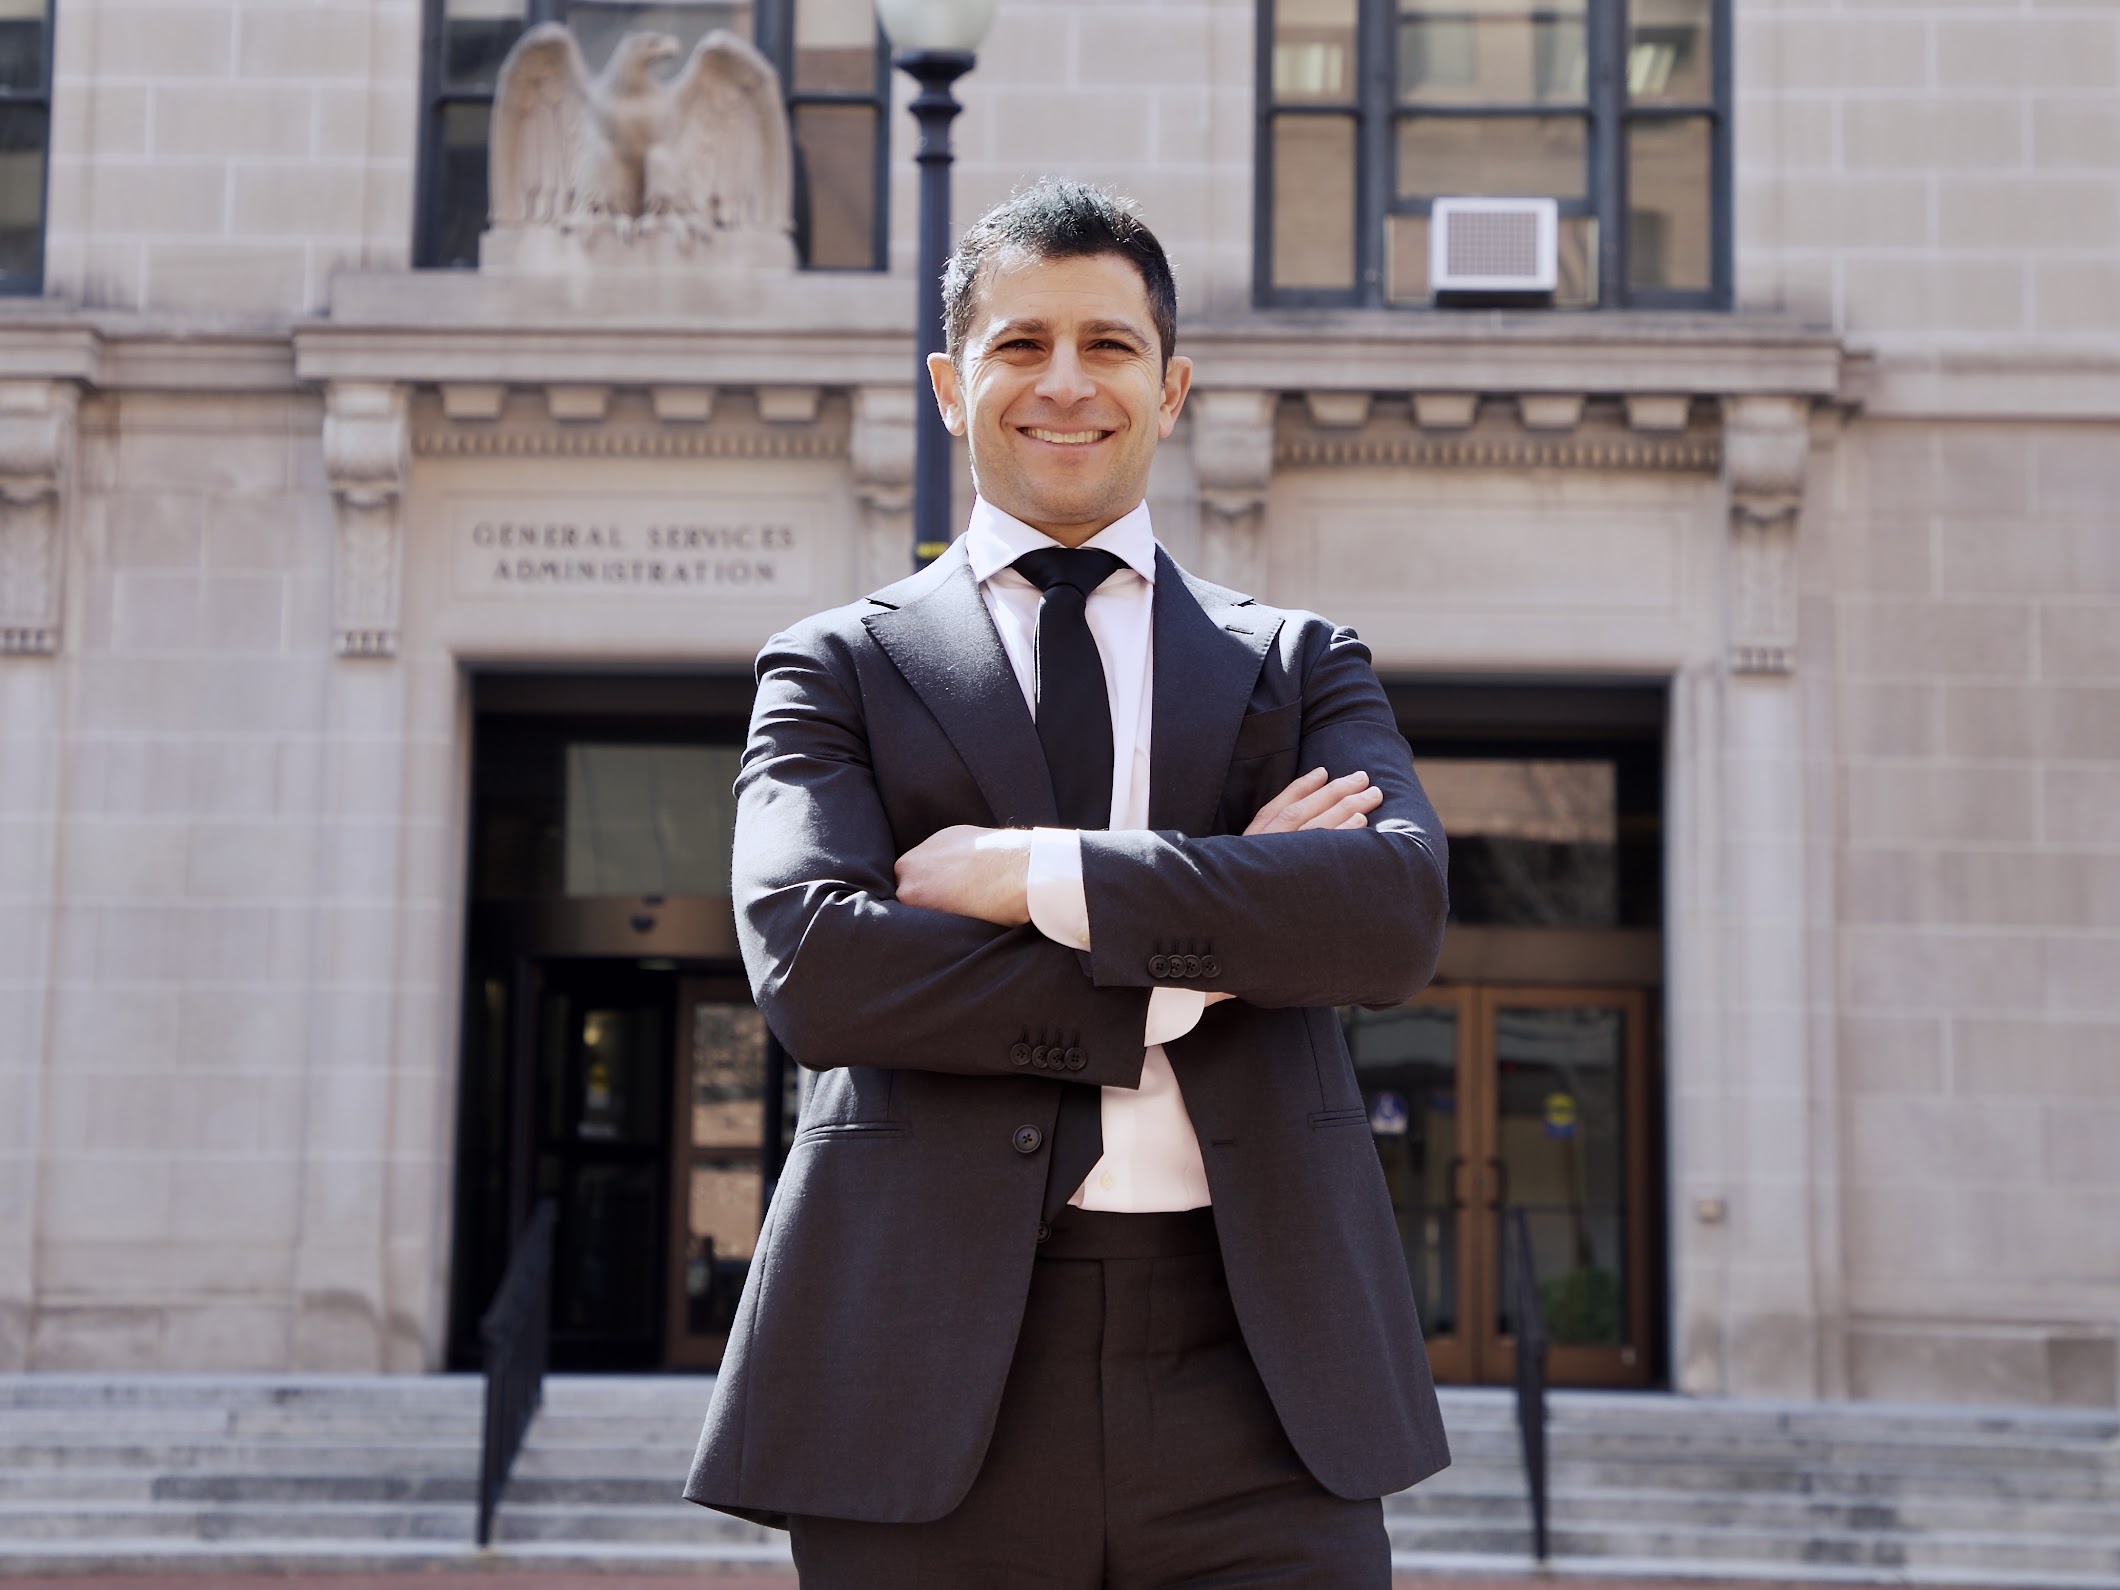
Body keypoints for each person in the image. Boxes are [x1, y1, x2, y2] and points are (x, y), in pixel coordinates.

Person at [684, 179, 1450, 1587]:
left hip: (1265, 1385)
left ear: (1171, 388)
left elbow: (1389, 914)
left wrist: (1022, 870)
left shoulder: (1296, 664)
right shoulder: (834, 668)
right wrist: (1200, 948)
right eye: (1020, 343)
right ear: (948, 383)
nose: (1064, 382)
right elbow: (815, 966)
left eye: (1108, 345)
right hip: (921, 1376)